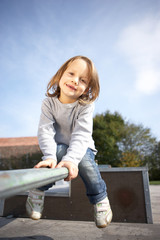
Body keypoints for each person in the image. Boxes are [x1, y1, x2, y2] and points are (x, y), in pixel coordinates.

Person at [26, 55, 112, 228]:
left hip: (82, 148)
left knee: (86, 163)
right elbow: (45, 130)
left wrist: (72, 160)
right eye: (71, 74)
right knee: (53, 157)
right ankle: (37, 190)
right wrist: (49, 156)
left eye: (82, 80)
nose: (75, 81)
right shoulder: (48, 103)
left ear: (87, 88)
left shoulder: (85, 106)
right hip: (57, 147)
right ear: (60, 75)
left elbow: (81, 134)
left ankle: (100, 198)